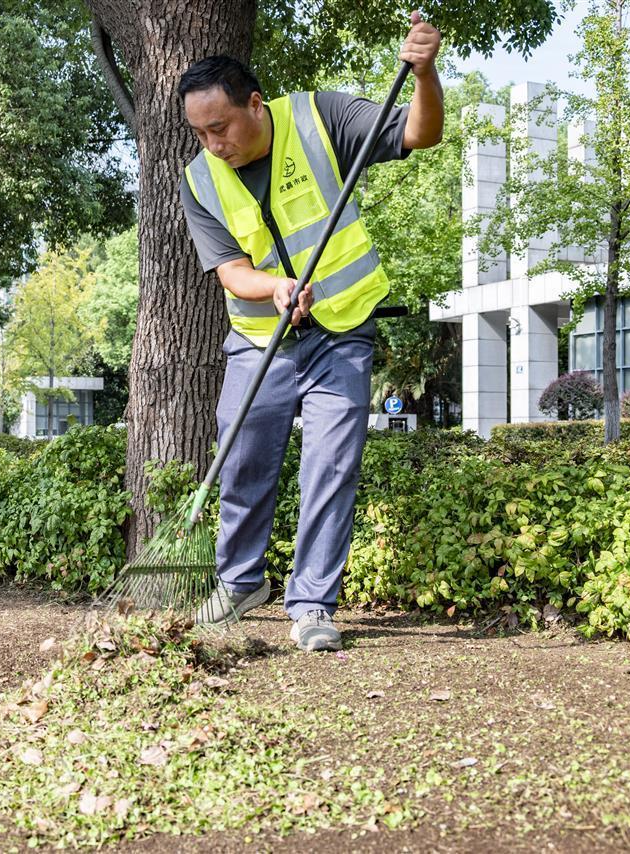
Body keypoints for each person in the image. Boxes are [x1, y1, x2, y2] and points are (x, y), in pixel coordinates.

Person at [179, 13, 443, 651]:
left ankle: (313, 603)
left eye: (221, 127)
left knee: (331, 464)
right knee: (241, 463)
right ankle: (240, 583)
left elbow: (419, 131)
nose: (213, 143)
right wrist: (273, 288)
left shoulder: (321, 119)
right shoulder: (199, 179)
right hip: (257, 342)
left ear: (255, 105)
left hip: (341, 333)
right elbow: (231, 272)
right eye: (200, 132)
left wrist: (426, 74)